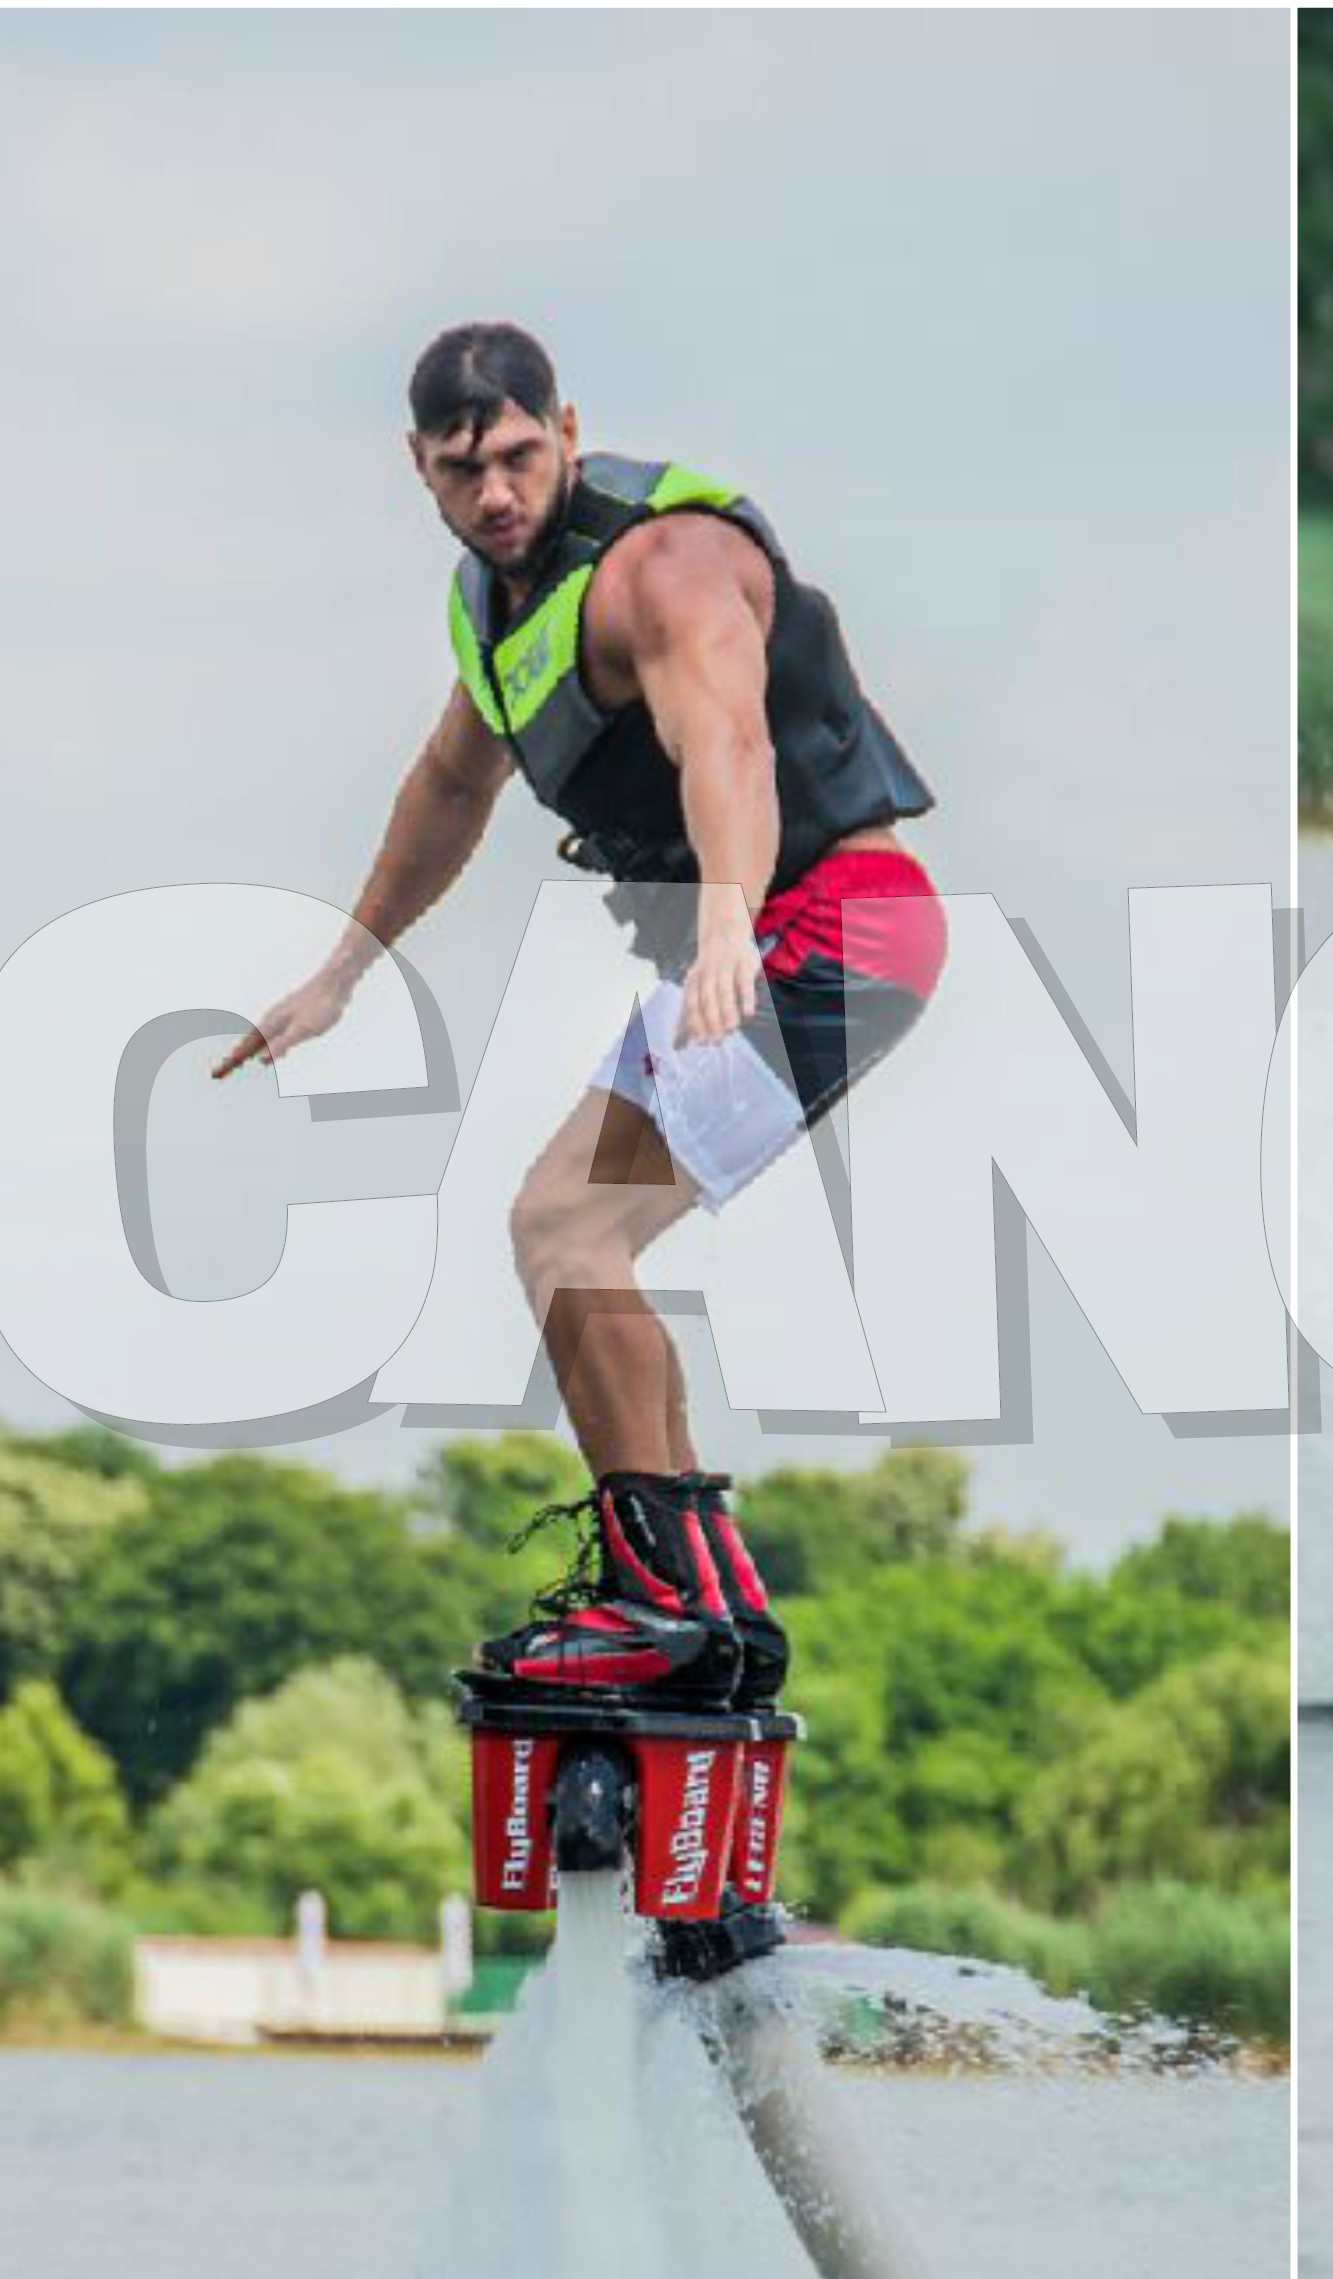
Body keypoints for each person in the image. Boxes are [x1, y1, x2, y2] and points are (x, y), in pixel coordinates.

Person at [211, 322, 948, 1707]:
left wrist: (728, 911)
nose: (496, 491)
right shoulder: (494, 605)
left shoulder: (661, 564)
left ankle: (660, 1600)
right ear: (419, 472)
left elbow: (723, 733)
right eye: (461, 469)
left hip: (833, 925)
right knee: (573, 1237)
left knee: (563, 1226)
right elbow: (448, 788)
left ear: (567, 425)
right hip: (766, 942)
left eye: (519, 456)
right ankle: (709, 1608)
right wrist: (342, 972)